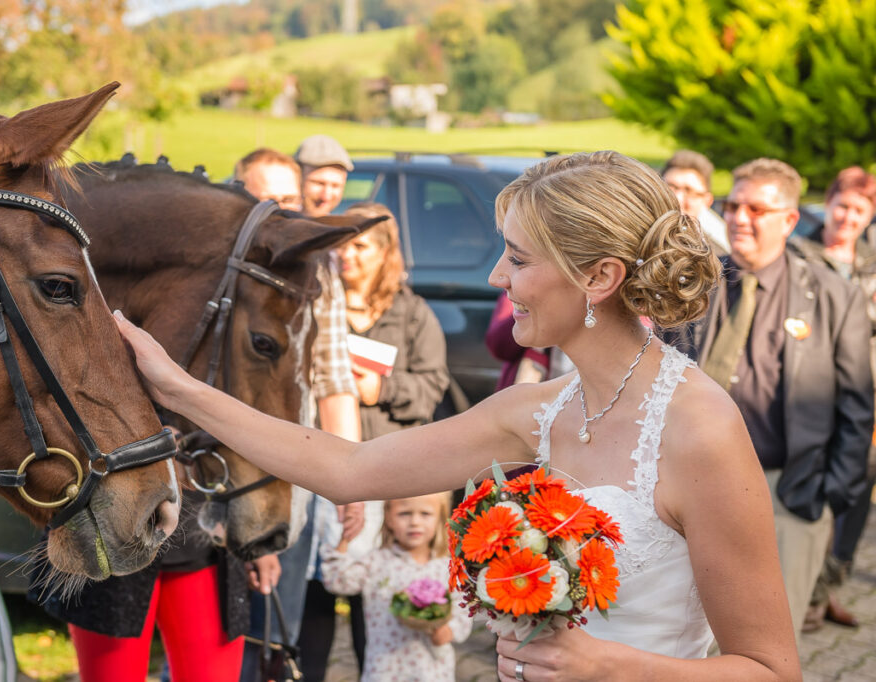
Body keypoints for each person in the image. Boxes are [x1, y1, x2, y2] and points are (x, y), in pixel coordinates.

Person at [114, 150, 802, 680]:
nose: (498, 278)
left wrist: (610, 667)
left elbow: (771, 669)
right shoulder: (537, 411)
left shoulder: (700, 430)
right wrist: (177, 388)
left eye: (519, 259)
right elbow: (349, 467)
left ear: (599, 277)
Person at [668, 158, 873, 639]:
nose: (740, 217)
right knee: (691, 643)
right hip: (690, 488)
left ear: (790, 220)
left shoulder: (832, 297)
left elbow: (856, 410)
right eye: (733, 205)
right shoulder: (695, 283)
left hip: (788, 493)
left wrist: (825, 497)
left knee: (767, 649)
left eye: (757, 209)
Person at [295, 202, 450, 677]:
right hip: (321, 468)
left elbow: (432, 387)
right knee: (318, 593)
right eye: (340, 244)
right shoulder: (317, 307)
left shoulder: (411, 313)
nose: (347, 255)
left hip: (386, 473)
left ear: (385, 252)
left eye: (359, 245)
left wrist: (379, 389)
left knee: (374, 600)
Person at [232, 146, 364, 682]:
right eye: (264, 199)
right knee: (222, 637)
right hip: (219, 476)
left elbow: (333, 376)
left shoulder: (319, 268)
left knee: (274, 637)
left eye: (288, 199)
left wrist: (352, 477)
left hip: (295, 475)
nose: (278, 211)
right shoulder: (215, 270)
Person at [788, 166, 876, 630]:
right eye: (842, 206)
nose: (848, 217)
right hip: (812, 390)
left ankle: (827, 585)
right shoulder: (801, 252)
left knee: (856, 485)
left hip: (861, 390)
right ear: (830, 203)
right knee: (812, 484)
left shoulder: (871, 262)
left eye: (860, 211)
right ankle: (802, 593)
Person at [320, 493, 470, 681]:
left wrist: (448, 631)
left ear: (440, 517)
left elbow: (462, 610)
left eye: (425, 514)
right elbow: (337, 582)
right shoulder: (376, 561)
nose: (415, 522)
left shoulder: (446, 568)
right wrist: (344, 540)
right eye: (404, 514)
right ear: (388, 517)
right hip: (385, 670)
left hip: (431, 670)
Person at [662, 150, 729, 254]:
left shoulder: (715, 254)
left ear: (707, 201)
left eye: (688, 191)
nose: (677, 198)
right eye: (670, 187)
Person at [295, 134, 353, 217]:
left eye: (335, 186)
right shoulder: (275, 225)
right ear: (296, 178)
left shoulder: (340, 227)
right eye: (319, 183)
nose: (326, 197)